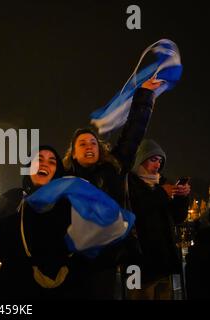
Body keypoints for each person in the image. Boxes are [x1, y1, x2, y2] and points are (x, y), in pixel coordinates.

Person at [61, 79, 163, 299]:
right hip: (84, 262)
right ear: (74, 154)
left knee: (134, 293)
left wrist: (144, 96)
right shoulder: (65, 181)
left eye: (93, 142)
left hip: (122, 256)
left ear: (100, 149)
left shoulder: (115, 167)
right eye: (82, 144)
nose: (89, 146)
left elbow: (133, 132)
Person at [0, 146, 74, 299]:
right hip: (12, 287)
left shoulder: (67, 203)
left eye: (51, 162)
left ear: (57, 172)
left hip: (54, 288)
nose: (44, 164)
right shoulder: (12, 198)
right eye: (38, 160)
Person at [126, 139, 190, 299]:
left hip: (162, 263)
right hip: (137, 264)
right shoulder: (128, 184)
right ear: (140, 159)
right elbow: (135, 211)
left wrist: (182, 197)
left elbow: (177, 217)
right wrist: (161, 194)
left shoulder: (160, 184)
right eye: (153, 159)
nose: (158, 165)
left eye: (160, 161)